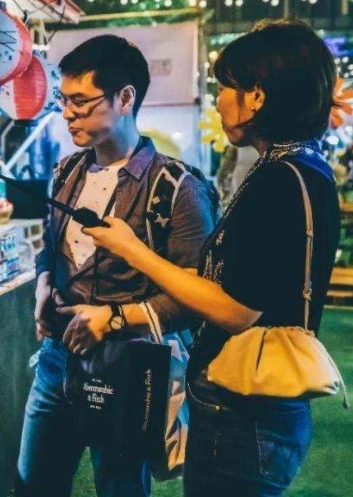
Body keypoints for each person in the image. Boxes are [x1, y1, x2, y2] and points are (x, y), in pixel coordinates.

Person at [84, 20, 340, 496]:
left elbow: (235, 308)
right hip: (261, 409)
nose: (218, 100)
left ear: (257, 97)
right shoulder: (307, 167)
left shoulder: (280, 179)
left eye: (225, 86)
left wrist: (133, 250)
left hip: (245, 411)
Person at [15, 35, 217, 497]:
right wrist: (43, 286)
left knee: (120, 487)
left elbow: (197, 295)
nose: (67, 113)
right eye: (63, 101)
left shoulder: (176, 187)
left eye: (82, 102)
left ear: (125, 98)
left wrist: (111, 319)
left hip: (129, 368)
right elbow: (51, 249)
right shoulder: (66, 171)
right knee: (33, 484)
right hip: (56, 361)